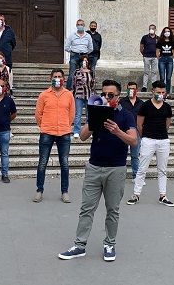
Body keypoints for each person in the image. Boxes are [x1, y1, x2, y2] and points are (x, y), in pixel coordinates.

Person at [58, 79, 137, 262]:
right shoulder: (97, 111)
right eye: (104, 94)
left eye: (111, 95)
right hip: (94, 167)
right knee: (86, 208)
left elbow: (133, 141)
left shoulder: (126, 116)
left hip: (116, 169)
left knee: (113, 209)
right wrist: (94, 120)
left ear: (118, 96)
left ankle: (110, 244)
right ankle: (79, 245)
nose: (106, 97)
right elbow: (83, 137)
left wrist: (117, 131)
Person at [127, 80, 174, 207]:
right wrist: (145, 137)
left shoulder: (167, 107)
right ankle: (136, 194)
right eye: (158, 92)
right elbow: (139, 124)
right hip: (148, 140)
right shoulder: (145, 106)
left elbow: (167, 125)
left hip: (163, 140)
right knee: (142, 168)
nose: (161, 94)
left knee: (163, 169)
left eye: (163, 92)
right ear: (153, 91)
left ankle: (163, 195)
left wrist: (161, 134)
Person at [34, 68, 75, 203]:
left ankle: (65, 191)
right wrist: (44, 125)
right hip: (47, 131)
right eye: (55, 76)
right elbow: (38, 114)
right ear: (50, 78)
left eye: (59, 76)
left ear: (63, 79)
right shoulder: (44, 95)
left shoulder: (69, 95)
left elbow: (71, 114)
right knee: (42, 162)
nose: (57, 78)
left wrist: (66, 125)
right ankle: (39, 190)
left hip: (63, 132)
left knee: (64, 163)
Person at [119, 81, 144, 182]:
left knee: (135, 155)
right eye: (130, 89)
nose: (131, 91)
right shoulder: (122, 102)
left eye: (133, 89)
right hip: (123, 131)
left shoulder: (141, 103)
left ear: (136, 90)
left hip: (136, 131)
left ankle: (136, 176)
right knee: (121, 154)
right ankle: (119, 175)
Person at [64, 19, 93, 89]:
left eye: (81, 25)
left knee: (85, 72)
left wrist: (85, 53)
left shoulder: (88, 36)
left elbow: (91, 48)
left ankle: (85, 88)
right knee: (72, 74)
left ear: (84, 26)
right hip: (74, 55)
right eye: (78, 25)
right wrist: (73, 51)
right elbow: (66, 47)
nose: (80, 26)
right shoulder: (72, 36)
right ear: (76, 26)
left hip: (84, 56)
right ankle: (68, 90)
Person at [71, 55, 95, 138]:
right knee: (78, 114)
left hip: (89, 95)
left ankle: (88, 131)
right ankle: (76, 131)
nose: (84, 62)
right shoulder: (77, 72)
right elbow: (73, 83)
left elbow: (93, 84)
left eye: (86, 60)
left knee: (89, 114)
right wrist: (75, 91)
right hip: (79, 94)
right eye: (83, 60)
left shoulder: (91, 72)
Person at [156, 27, 174, 95]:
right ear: (163, 33)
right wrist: (159, 58)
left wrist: (171, 57)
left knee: (168, 78)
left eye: (168, 31)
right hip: (162, 59)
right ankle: (161, 92)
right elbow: (157, 51)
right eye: (165, 31)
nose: (167, 33)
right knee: (162, 77)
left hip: (169, 59)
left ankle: (167, 93)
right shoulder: (160, 41)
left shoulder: (172, 41)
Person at [140, 24, 158, 92]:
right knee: (146, 72)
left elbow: (159, 48)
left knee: (154, 72)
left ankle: (154, 86)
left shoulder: (158, 38)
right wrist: (144, 54)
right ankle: (144, 86)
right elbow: (141, 47)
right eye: (150, 28)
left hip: (155, 57)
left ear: (155, 29)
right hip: (146, 56)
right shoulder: (145, 37)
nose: (151, 30)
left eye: (153, 28)